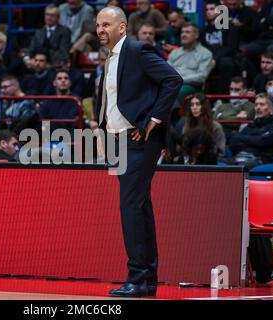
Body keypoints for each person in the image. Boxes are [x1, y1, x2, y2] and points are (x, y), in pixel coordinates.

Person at [95, 6, 182, 297]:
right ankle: (146, 280)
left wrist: (153, 120)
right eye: (98, 25)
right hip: (116, 141)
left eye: (106, 24)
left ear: (122, 27)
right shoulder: (109, 58)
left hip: (139, 140)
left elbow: (173, 80)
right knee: (139, 207)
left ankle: (137, 276)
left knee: (131, 207)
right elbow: (111, 100)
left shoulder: (138, 50)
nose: (100, 29)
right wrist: (100, 127)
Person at [229, 93, 273, 166]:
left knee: (241, 166)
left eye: (262, 104)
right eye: (256, 105)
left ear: (270, 109)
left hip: (260, 161)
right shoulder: (251, 125)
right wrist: (255, 141)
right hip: (239, 157)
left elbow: (261, 142)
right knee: (219, 164)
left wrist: (241, 137)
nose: (258, 107)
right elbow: (233, 143)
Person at [176, 93, 226, 159]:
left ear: (204, 106)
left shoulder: (216, 127)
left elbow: (220, 152)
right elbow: (183, 147)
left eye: (197, 104)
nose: (194, 107)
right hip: (190, 160)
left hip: (210, 161)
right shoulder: (186, 125)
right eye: (192, 105)